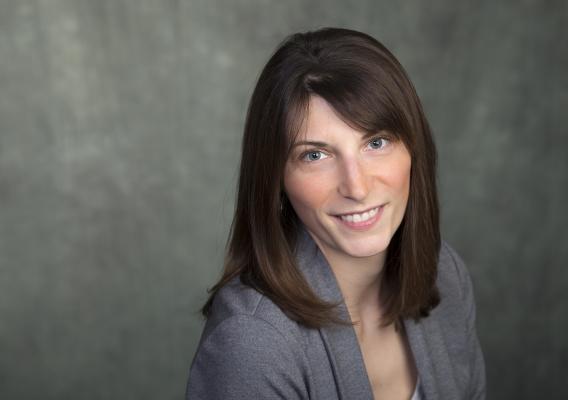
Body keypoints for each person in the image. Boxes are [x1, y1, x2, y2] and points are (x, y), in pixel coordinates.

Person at [185, 27, 486, 400]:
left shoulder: (445, 275)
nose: (356, 187)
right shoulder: (252, 342)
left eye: (376, 143)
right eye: (315, 155)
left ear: (414, 150)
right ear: (276, 177)